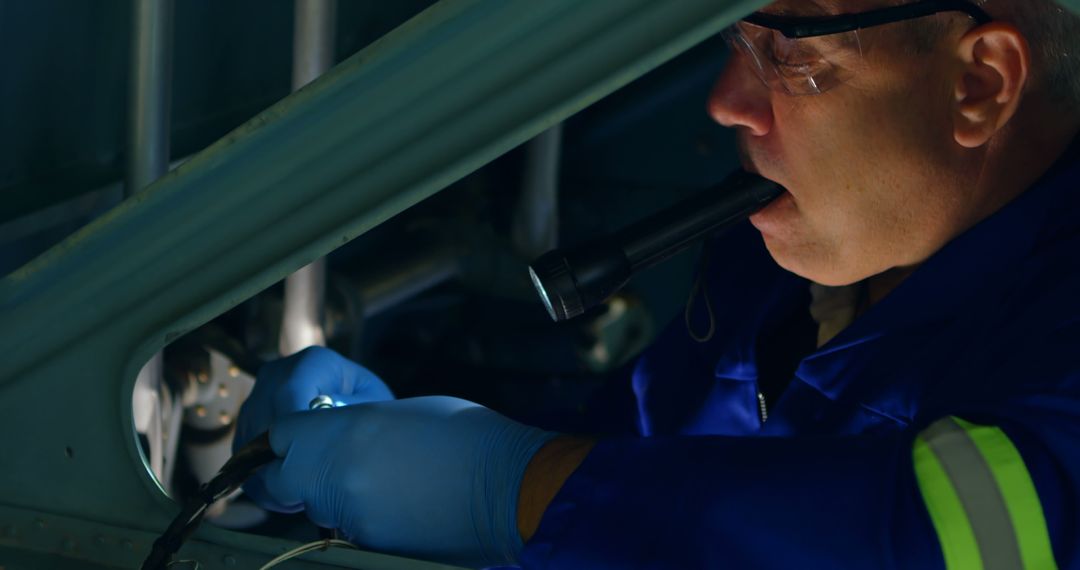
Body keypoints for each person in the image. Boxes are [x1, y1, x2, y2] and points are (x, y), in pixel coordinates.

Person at [234, 0, 1080, 567]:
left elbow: (969, 541)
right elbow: (656, 458)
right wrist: (412, 457)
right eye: (735, 39)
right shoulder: (780, 269)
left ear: (978, 85)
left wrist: (515, 489)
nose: (726, 101)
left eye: (790, 53)